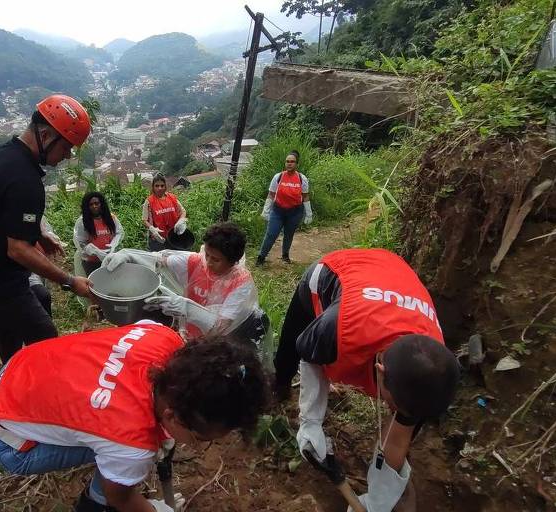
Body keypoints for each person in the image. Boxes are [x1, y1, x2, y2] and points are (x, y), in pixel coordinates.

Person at [0, 320, 267, 512]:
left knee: (119, 450)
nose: (199, 445)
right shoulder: (131, 444)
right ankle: (91, 503)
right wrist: (155, 510)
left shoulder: (161, 335)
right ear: (174, 417)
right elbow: (121, 497)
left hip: (17, 374)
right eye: (200, 439)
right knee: (120, 469)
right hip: (7, 439)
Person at [273, 248, 460, 512]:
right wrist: (311, 420)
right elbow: (309, 355)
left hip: (391, 276)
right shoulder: (337, 329)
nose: (396, 413)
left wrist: (378, 499)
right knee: (289, 352)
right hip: (334, 273)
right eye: (393, 406)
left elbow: (398, 438)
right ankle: (279, 387)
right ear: (380, 371)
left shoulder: (429, 371)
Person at [0, 94, 93, 364]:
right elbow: (18, 249)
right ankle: (39, 386)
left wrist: (38, 234)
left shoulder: (3, 154)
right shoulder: (25, 179)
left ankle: (10, 367)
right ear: (45, 134)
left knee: (31, 301)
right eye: (66, 148)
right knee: (44, 335)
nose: (66, 156)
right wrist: (70, 281)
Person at [103, 223, 268, 348]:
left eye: (216, 259)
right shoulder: (196, 262)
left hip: (220, 345)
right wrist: (129, 256)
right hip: (188, 334)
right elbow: (159, 261)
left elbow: (220, 328)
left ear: (233, 261)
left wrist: (187, 308)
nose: (208, 263)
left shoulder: (241, 283)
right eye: (207, 255)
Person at [256, 150, 313, 265]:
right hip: (278, 211)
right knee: (271, 234)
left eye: (292, 161)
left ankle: (285, 255)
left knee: (289, 234)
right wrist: (266, 210)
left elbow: (305, 196)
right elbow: (271, 194)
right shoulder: (278, 177)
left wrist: (309, 213)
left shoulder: (302, 179)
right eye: (287, 161)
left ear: (297, 164)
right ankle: (261, 257)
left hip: (295, 212)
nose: (289, 164)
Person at [73, 191, 124, 276]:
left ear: (102, 204)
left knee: (110, 282)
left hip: (110, 258)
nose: (94, 206)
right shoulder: (82, 221)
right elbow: (80, 242)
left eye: (97, 203)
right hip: (91, 262)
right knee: (95, 284)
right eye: (91, 204)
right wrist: (93, 250)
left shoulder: (111, 218)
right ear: (87, 207)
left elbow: (119, 232)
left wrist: (114, 243)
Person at [142, 174, 187, 252]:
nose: (160, 188)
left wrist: (181, 220)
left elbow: (183, 211)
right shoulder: (149, 201)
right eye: (157, 186)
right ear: (153, 187)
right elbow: (144, 220)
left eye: (162, 185)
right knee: (160, 261)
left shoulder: (172, 198)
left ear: (165, 186)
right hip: (158, 238)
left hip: (174, 235)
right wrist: (152, 229)